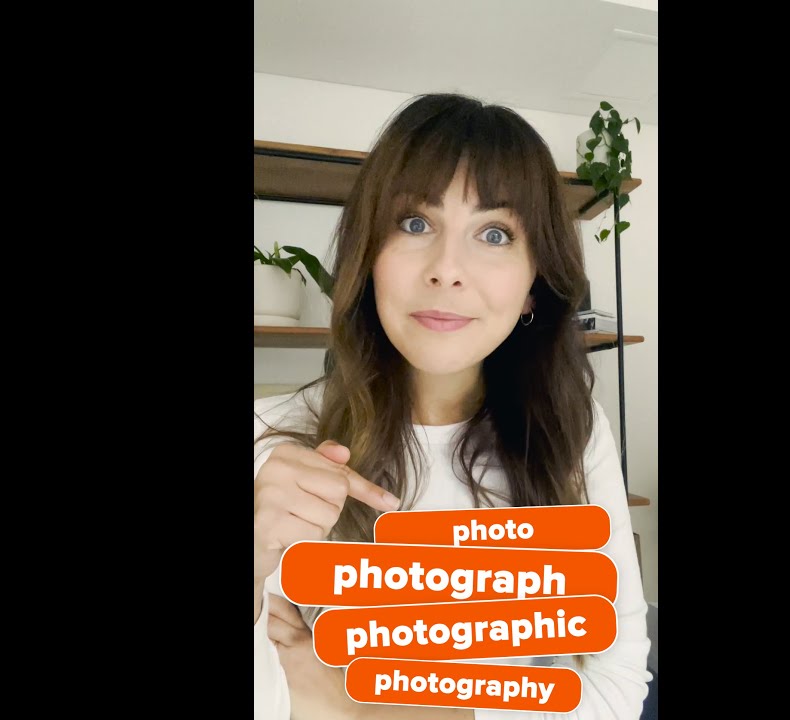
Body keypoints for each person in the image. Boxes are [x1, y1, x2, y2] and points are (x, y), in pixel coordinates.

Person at [253, 93, 651, 719]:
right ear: (369, 256)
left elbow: (615, 690)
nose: (447, 270)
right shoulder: (273, 438)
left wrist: (363, 707)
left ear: (533, 284)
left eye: (494, 234)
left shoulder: (571, 432)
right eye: (415, 223)